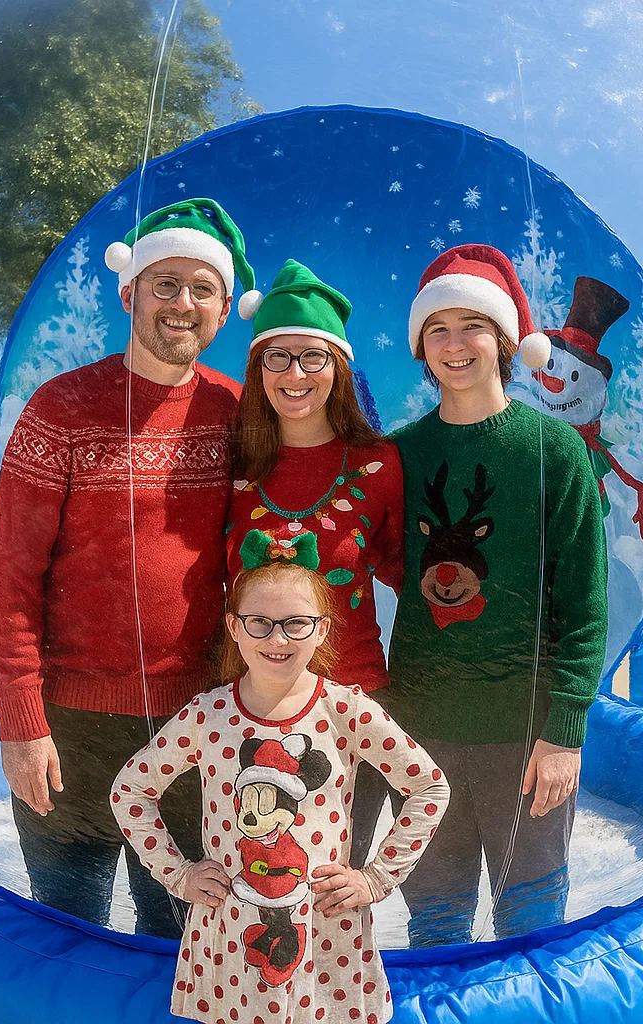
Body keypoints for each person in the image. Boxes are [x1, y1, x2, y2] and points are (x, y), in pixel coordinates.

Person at [0, 198, 255, 936]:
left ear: (223, 310)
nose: (182, 303)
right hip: (69, 731)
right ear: (130, 293)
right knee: (67, 937)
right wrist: (22, 724)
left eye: (202, 289)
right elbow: (11, 581)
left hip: (193, 728)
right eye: (165, 284)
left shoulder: (237, 412)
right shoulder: (62, 408)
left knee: (178, 946)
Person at [110, 540, 449, 1024]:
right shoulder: (208, 716)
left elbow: (429, 788)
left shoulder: (346, 710)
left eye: (296, 623)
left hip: (325, 931)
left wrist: (376, 878)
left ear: (321, 629)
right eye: (260, 623)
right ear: (234, 627)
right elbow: (130, 791)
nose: (278, 639)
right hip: (230, 932)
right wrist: (178, 874)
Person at [385, 244, 608, 945]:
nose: (455, 344)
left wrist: (564, 732)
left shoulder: (554, 450)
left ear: (505, 339)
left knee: (530, 926)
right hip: (421, 732)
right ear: (421, 345)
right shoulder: (397, 455)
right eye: (438, 329)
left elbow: (584, 602)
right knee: (436, 922)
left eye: (472, 326)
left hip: (525, 735)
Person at [227, 259, 404, 867]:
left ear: (338, 368)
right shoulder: (233, 468)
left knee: (336, 885)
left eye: (312, 356)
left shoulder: (380, 465)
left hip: (353, 709)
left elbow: (411, 573)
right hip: (245, 712)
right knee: (253, 881)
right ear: (258, 370)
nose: (294, 373)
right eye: (277, 356)